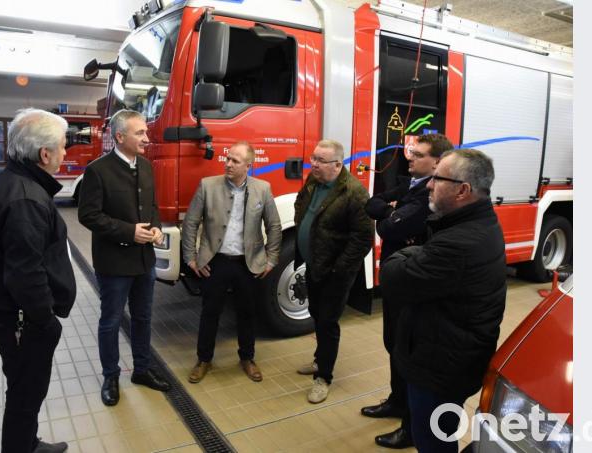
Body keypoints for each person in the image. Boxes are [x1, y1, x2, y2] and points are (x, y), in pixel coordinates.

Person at [381, 149, 507, 453]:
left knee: (433, 441)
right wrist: (419, 253)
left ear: (463, 190)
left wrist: (410, 253)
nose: (428, 184)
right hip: (447, 356)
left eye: (438, 178)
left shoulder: (460, 242)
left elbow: (393, 275)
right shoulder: (471, 224)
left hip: (440, 368)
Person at [0, 108, 75, 453]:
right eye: (62, 146)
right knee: (25, 393)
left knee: (23, 386)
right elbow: (24, 272)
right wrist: (45, 321)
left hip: (6, 311)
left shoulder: (9, 181)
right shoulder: (26, 198)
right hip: (19, 316)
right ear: (45, 154)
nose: (65, 153)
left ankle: (27, 444)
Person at [361, 133, 453, 449]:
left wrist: (390, 214)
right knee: (393, 344)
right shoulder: (411, 185)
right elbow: (372, 202)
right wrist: (391, 209)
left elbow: (391, 227)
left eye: (419, 155)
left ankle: (410, 428)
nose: (409, 158)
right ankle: (398, 401)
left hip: (412, 284)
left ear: (437, 162)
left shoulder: (431, 196)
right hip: (395, 277)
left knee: (408, 351)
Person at [77, 109, 171, 407]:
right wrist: (129, 232)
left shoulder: (145, 166)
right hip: (114, 262)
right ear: (120, 137)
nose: (147, 137)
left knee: (144, 318)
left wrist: (155, 228)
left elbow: (152, 205)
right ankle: (111, 376)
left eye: (145, 132)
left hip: (144, 261)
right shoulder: (98, 170)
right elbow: (88, 215)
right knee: (111, 321)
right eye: (140, 133)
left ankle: (141, 370)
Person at [181, 141, 282, 383]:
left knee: (247, 312)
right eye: (227, 159)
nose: (228, 163)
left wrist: (271, 259)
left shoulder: (263, 189)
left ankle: (247, 358)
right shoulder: (208, 186)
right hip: (215, 261)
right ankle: (203, 359)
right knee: (210, 312)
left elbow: (274, 225)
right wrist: (191, 258)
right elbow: (191, 223)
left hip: (248, 263)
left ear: (249, 165)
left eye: (235, 161)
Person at [294, 139, 374, 403]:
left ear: (338, 164)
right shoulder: (313, 181)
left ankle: (324, 377)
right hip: (314, 265)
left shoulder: (354, 193)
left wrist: (338, 270)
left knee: (328, 323)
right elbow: (301, 206)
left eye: (320, 160)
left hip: (334, 274)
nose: (313, 164)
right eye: (313, 158)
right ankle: (320, 361)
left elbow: (363, 238)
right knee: (316, 314)